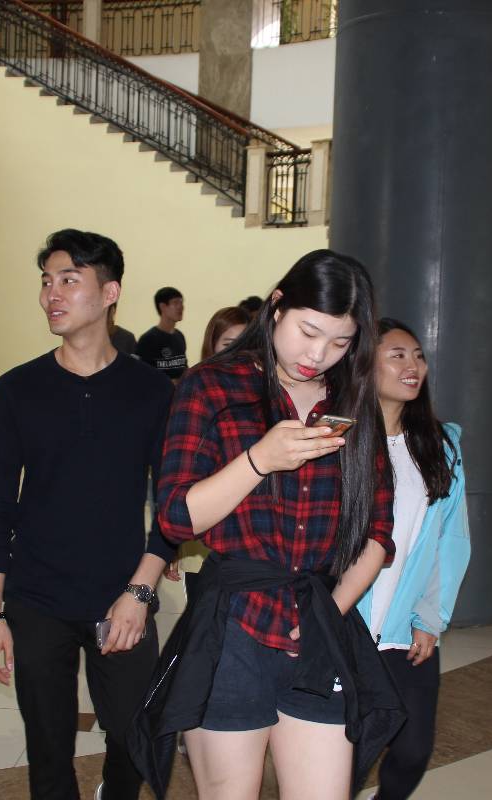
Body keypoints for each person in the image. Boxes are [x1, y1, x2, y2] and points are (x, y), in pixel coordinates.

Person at [130, 250, 403, 800]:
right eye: (308, 332)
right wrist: (260, 459)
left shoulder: (353, 401)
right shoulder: (213, 386)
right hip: (233, 626)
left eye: (340, 342)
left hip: (319, 621)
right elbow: (177, 518)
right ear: (277, 307)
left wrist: (330, 612)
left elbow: (378, 531)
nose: (318, 355)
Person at [0, 229, 175, 800]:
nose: (51, 295)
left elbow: (173, 504)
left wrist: (140, 591)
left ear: (110, 292)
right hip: (37, 599)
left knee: (134, 739)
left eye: (68, 280)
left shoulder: (151, 391)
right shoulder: (17, 390)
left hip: (122, 597)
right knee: (48, 750)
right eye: (46, 281)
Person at [355, 318, 470, 800]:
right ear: (365, 364)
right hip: (347, 626)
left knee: (413, 750)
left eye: (418, 356)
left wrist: (430, 617)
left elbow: (450, 539)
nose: (413, 366)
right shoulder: (341, 441)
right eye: (398, 355)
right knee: (346, 757)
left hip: (407, 629)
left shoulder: (441, 446)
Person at [163, 306, 252, 606]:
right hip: (202, 540)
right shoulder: (197, 392)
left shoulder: (262, 398)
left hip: (245, 546)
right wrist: (171, 546)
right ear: (212, 346)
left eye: (248, 343)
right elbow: (177, 482)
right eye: (229, 344)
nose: (239, 353)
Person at [135, 287, 187, 380]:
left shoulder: (180, 336)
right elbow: (142, 374)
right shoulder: (148, 339)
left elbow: (184, 369)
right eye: (176, 303)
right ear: (162, 307)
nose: (181, 307)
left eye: (181, 302)